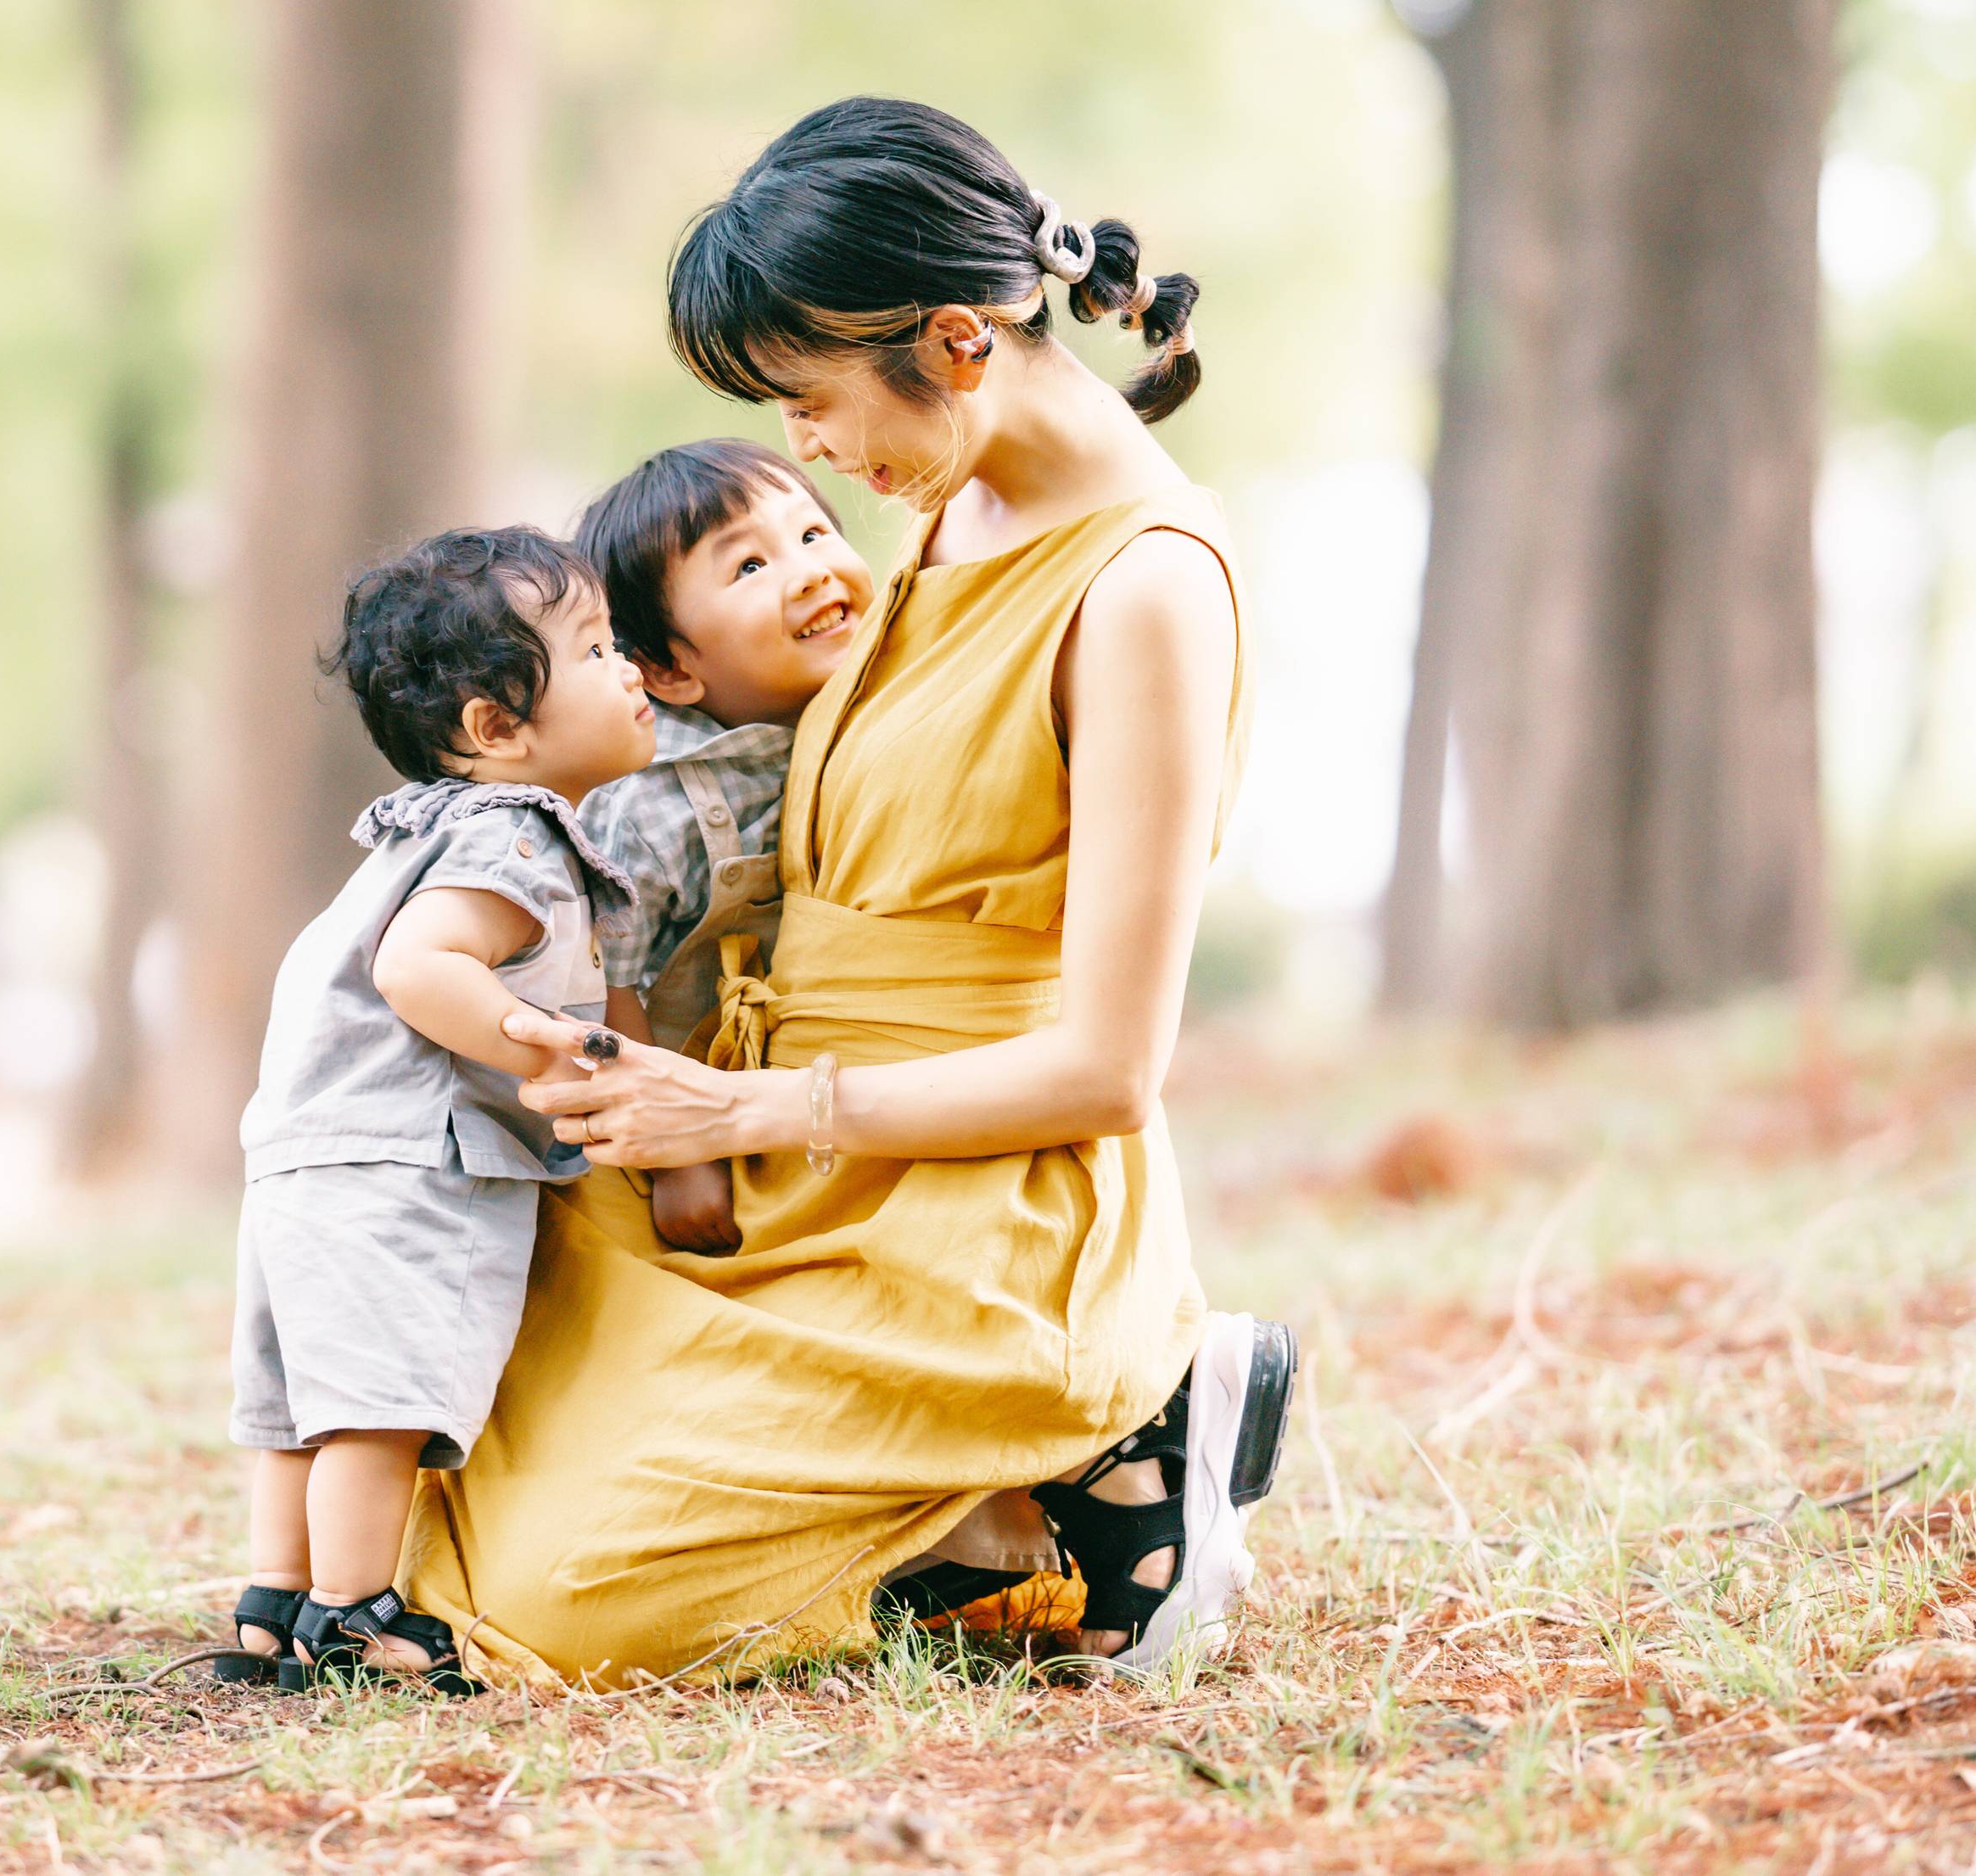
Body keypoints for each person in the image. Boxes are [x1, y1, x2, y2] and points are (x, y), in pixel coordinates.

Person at [406, 97, 1296, 1683]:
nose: (806, 453)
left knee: (555, 1606)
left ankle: (1100, 1476)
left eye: (810, 405)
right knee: (437, 1476)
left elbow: (1108, 1070)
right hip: (785, 1155)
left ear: (959, 341)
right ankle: (980, 1516)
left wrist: (739, 1117)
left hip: (977, 1204)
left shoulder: (1147, 587)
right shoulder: (946, 506)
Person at [218, 525, 652, 1693]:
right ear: (494, 729)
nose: (633, 670)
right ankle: (358, 1613)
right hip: (399, 1158)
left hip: (305, 1153)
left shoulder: (421, 824)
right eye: (600, 648)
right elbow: (423, 967)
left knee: (302, 1404)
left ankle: (273, 1601)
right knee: (377, 1411)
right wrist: (539, 1040)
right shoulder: (517, 830)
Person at [572, 438, 878, 1255]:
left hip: (788, 1097)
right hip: (660, 1113)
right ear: (670, 670)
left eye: (813, 535)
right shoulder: (649, 802)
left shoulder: (875, 712)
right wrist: (675, 1154)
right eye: (748, 568)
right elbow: (606, 975)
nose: (809, 571)